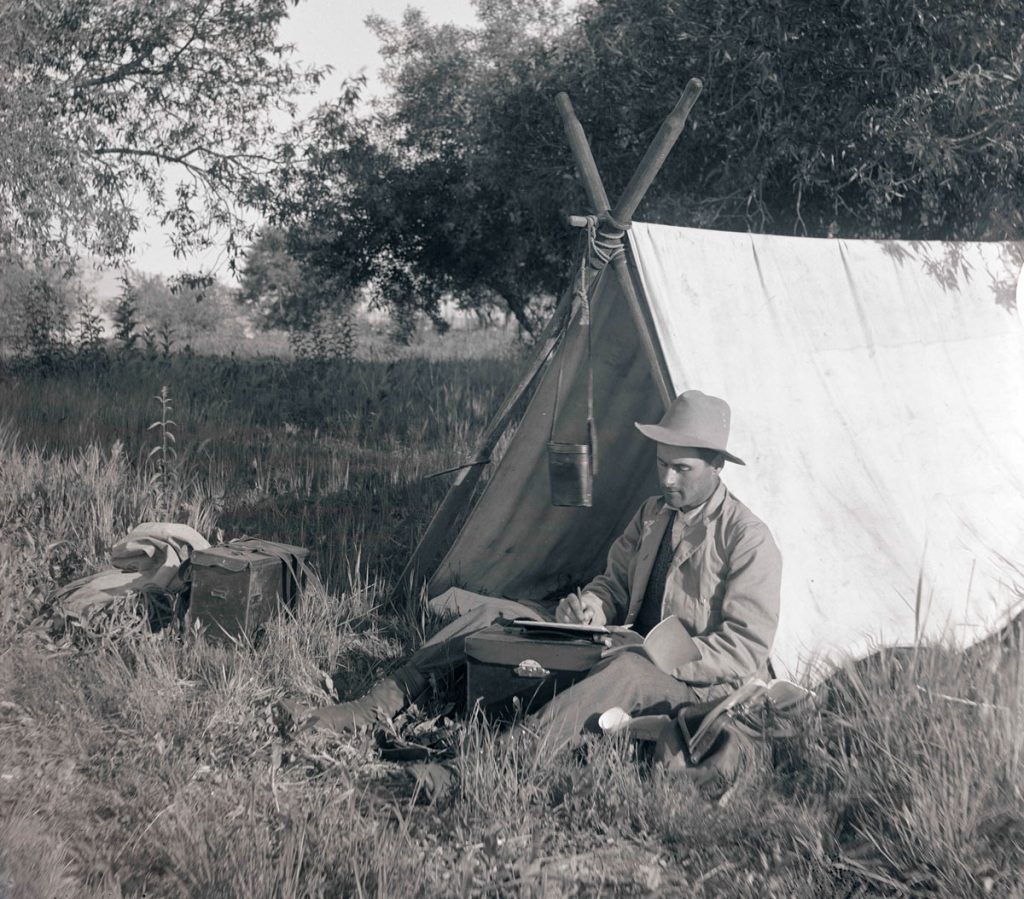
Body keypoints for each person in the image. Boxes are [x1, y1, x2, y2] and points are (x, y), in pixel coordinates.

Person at [285, 390, 782, 752]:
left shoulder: (746, 538)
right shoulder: (653, 514)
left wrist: (655, 656)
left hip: (683, 683)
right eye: (661, 464)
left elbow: (745, 649)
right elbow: (613, 583)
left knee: (627, 670)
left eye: (682, 469)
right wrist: (591, 605)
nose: (667, 478)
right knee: (493, 617)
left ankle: (503, 760)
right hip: (618, 646)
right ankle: (371, 708)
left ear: (717, 465)